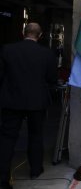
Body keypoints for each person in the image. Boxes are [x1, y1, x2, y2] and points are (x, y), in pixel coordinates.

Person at [0, 23, 57, 188]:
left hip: (12, 100)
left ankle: (3, 179)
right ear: (40, 36)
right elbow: (52, 78)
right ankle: (35, 169)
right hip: (37, 101)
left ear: (23, 33)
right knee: (36, 135)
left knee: (7, 138)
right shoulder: (46, 53)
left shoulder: (7, 50)